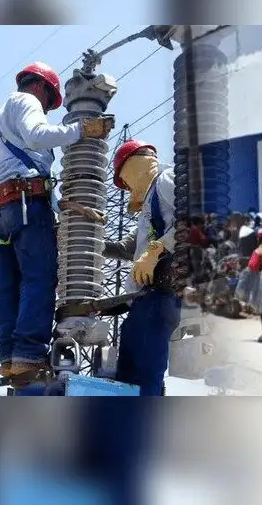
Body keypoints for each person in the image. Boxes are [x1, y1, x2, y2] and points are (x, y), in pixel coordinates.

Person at [0, 62, 114, 381]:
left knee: (6, 286)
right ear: (42, 88)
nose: (47, 109)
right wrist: (83, 129)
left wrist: (62, 204)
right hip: (25, 206)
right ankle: (28, 352)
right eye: (50, 102)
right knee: (38, 277)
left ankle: (11, 359)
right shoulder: (24, 101)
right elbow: (39, 136)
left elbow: (22, 167)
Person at [101, 139, 181, 396]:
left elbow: (195, 220)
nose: (125, 188)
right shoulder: (149, 207)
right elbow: (127, 248)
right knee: (129, 373)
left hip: (160, 294)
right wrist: (89, 243)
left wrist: (157, 249)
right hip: (144, 300)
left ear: (136, 166)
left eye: (124, 180)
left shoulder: (167, 179)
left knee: (145, 374)